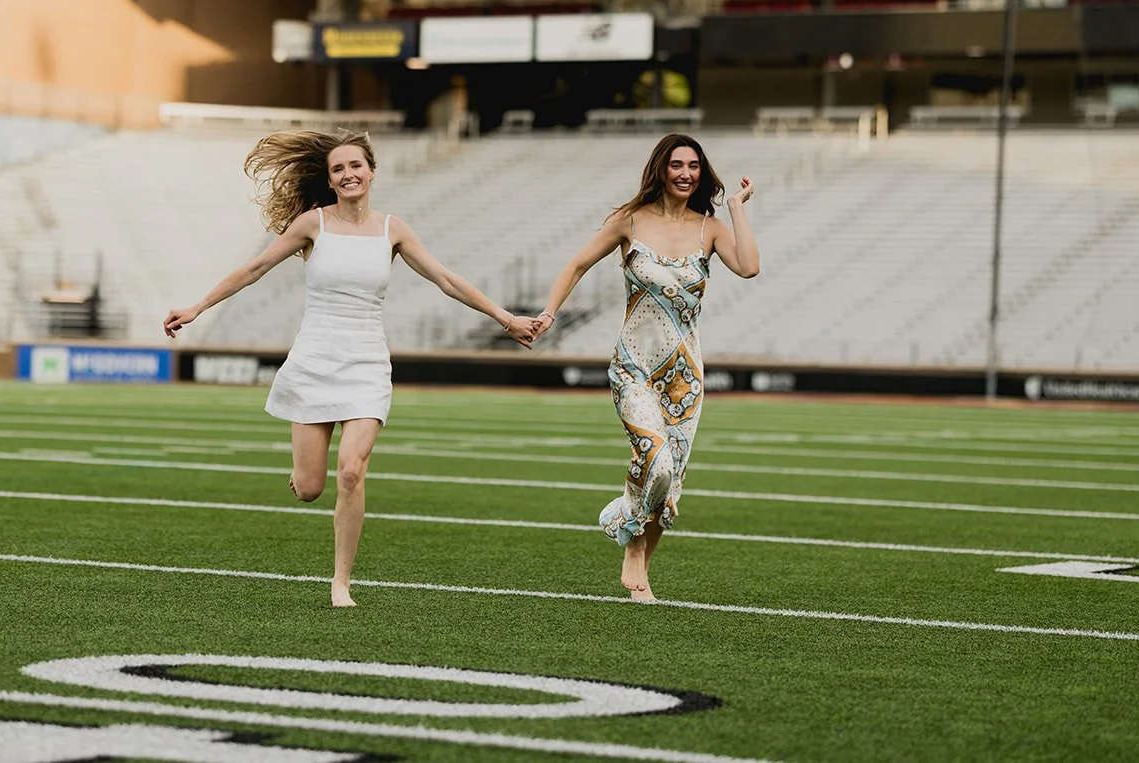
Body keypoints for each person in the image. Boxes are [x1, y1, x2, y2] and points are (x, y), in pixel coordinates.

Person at [164, 129, 538, 607]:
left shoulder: (393, 230)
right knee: (311, 489)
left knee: (351, 472)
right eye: (338, 169)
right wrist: (197, 308)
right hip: (314, 361)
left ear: (372, 172)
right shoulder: (311, 225)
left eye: (355, 166)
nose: (348, 175)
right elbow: (254, 269)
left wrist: (506, 319)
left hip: (366, 364)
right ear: (330, 179)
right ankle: (301, 476)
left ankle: (341, 581)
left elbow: (446, 278)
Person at [533, 133, 759, 602]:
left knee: (670, 478)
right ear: (661, 169)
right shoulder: (629, 222)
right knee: (654, 460)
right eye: (677, 164)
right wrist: (550, 314)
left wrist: (736, 206)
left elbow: (750, 266)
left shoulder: (710, 228)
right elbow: (576, 265)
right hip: (633, 367)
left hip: (685, 377)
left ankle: (640, 564)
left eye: (694, 166)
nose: (685, 174)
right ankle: (623, 523)